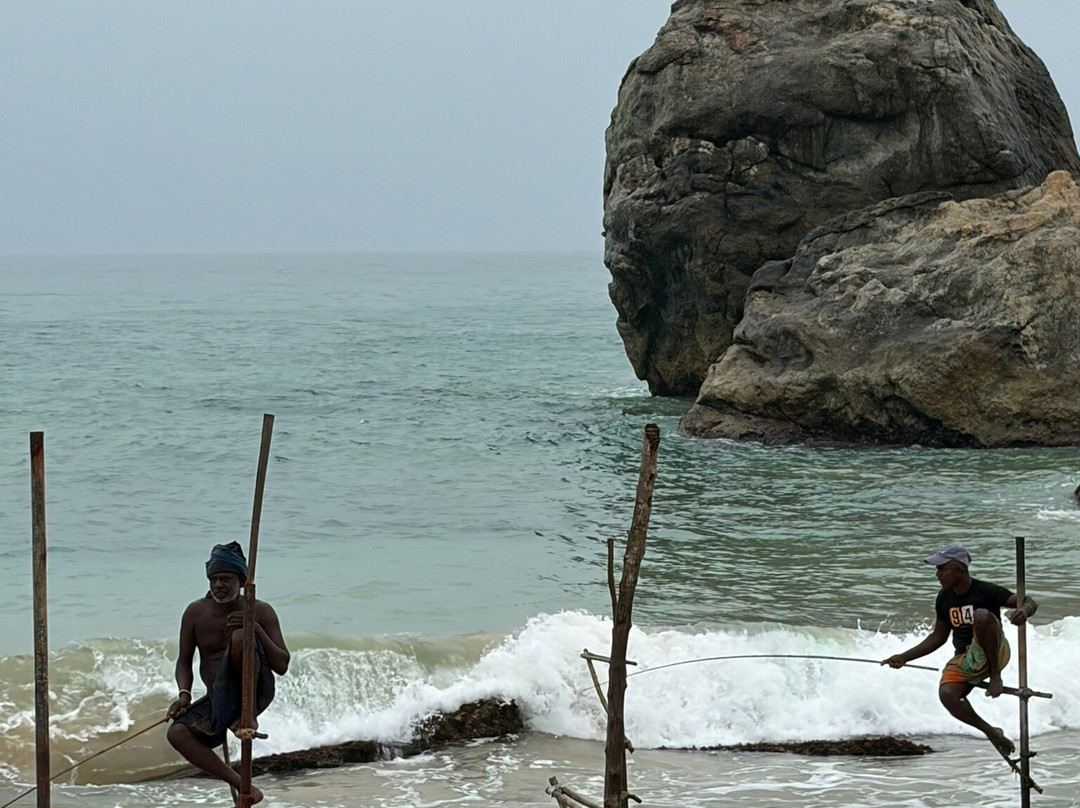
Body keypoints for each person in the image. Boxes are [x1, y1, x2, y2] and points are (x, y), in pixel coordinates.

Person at [882, 544, 1036, 757]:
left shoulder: (986, 591)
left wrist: (1024, 611)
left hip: (994, 653)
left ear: (957, 568)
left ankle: (995, 675)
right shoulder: (944, 598)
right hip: (966, 658)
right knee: (947, 694)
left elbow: (1028, 601)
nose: (938, 575)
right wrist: (904, 657)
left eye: (942, 569)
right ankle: (991, 732)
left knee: (981, 616)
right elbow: (938, 637)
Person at [166, 542, 290, 805]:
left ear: (241, 581)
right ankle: (245, 786)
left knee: (239, 637)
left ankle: (247, 717)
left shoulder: (261, 611)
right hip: (219, 698)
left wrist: (253, 627)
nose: (219, 585)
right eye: (214, 579)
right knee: (176, 734)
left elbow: (282, 665)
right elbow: (184, 661)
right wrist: (184, 694)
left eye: (226, 579)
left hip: (255, 692)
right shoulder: (195, 613)